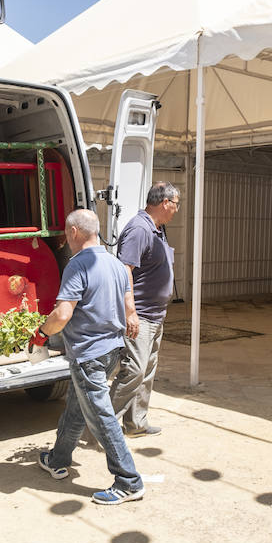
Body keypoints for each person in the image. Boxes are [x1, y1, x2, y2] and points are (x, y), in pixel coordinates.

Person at [32, 208, 145, 505]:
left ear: (72, 232)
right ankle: (58, 459)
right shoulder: (117, 264)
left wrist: (42, 333)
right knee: (77, 408)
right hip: (111, 350)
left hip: (88, 355)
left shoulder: (76, 265)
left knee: (100, 417)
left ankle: (128, 481)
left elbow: (63, 313)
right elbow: (127, 300)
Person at [110, 181, 179, 438]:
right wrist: (130, 312)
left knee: (147, 371)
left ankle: (135, 424)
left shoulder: (157, 229)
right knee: (135, 371)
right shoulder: (140, 229)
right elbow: (124, 270)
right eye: (176, 204)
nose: (176, 209)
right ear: (165, 203)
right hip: (140, 315)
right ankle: (97, 429)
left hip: (155, 314)